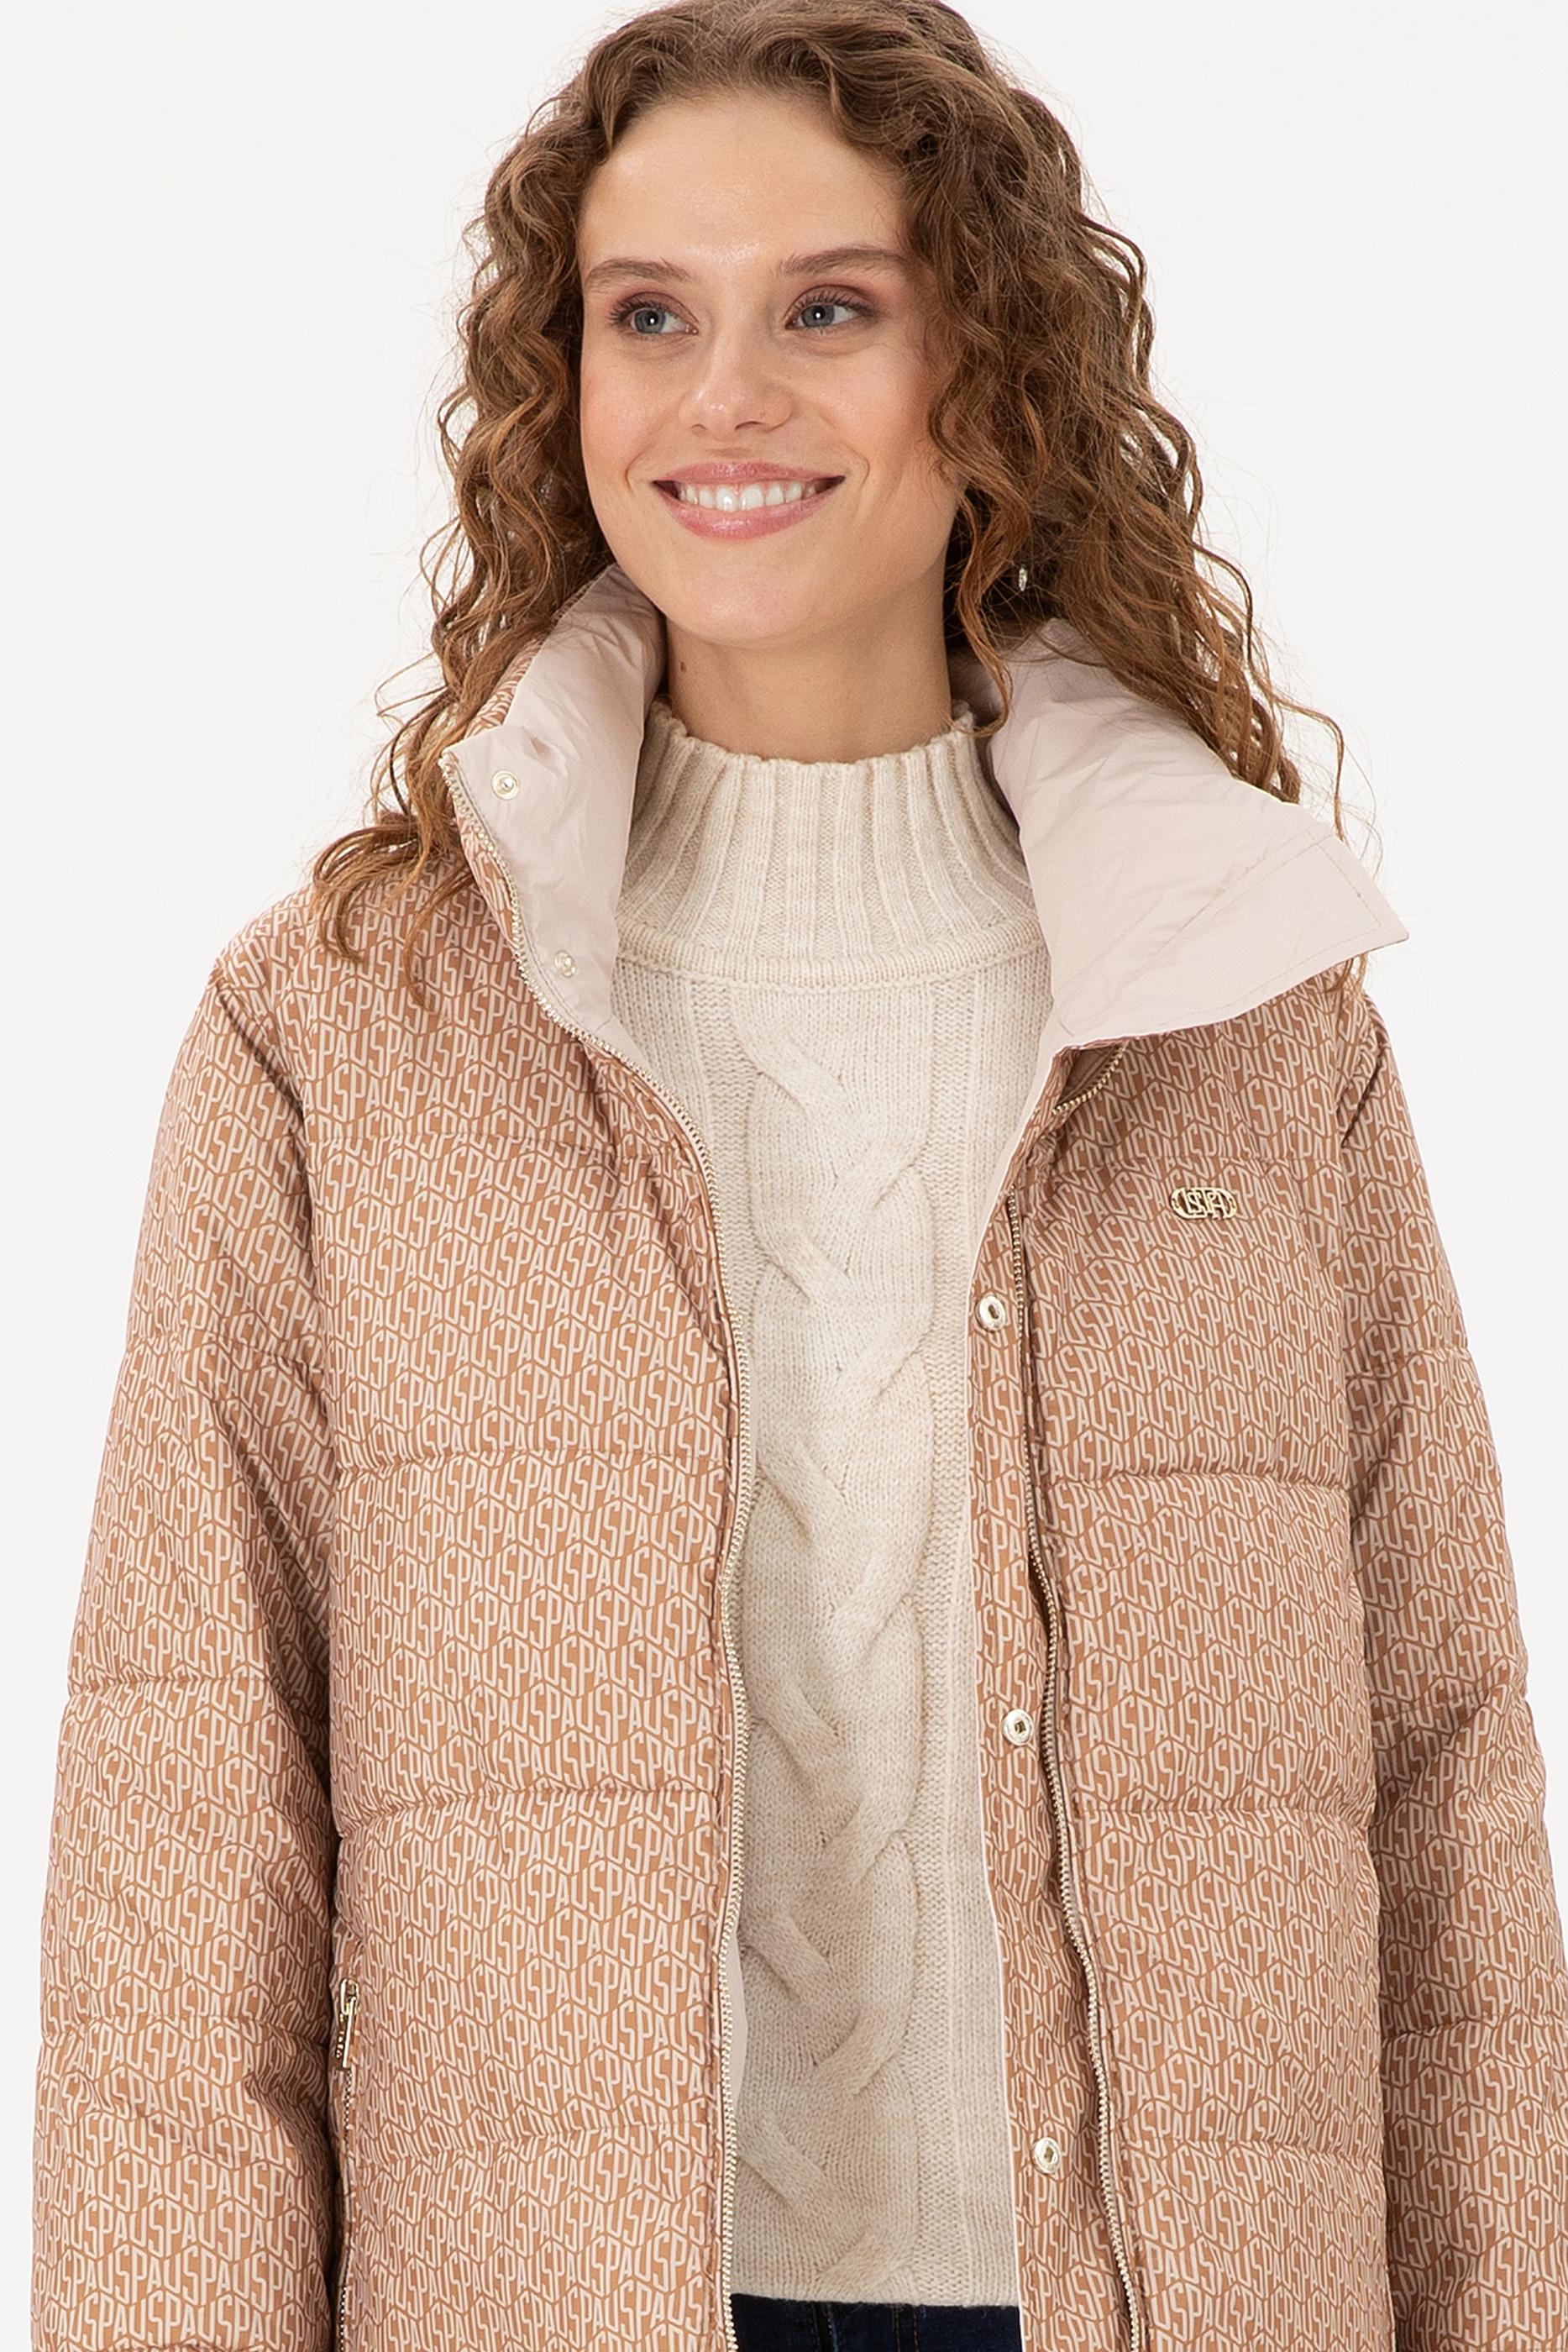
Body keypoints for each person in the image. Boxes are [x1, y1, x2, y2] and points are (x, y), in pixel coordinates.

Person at [31, 3, 1568, 2349]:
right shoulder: (348, 1028)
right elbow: (187, 1822)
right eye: (648, 315)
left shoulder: (1239, 1000)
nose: (722, 397)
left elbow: (1447, 1802)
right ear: (564, 384)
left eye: (827, 309)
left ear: (991, 369)